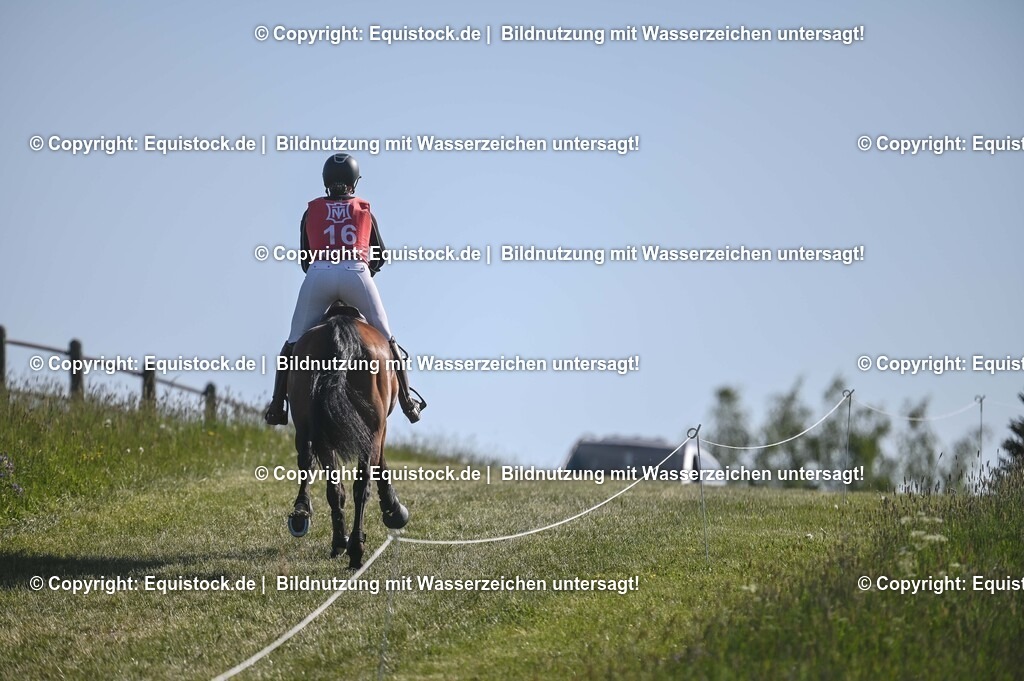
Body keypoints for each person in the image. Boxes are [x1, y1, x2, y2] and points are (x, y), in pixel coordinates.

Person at [264, 153, 426, 425]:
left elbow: (305, 260)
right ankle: (408, 402)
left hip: (319, 274)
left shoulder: (311, 211)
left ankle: (277, 405)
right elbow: (380, 256)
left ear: (326, 181)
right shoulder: (364, 210)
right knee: (387, 338)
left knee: (293, 343)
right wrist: (363, 274)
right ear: (354, 181)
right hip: (356, 273)